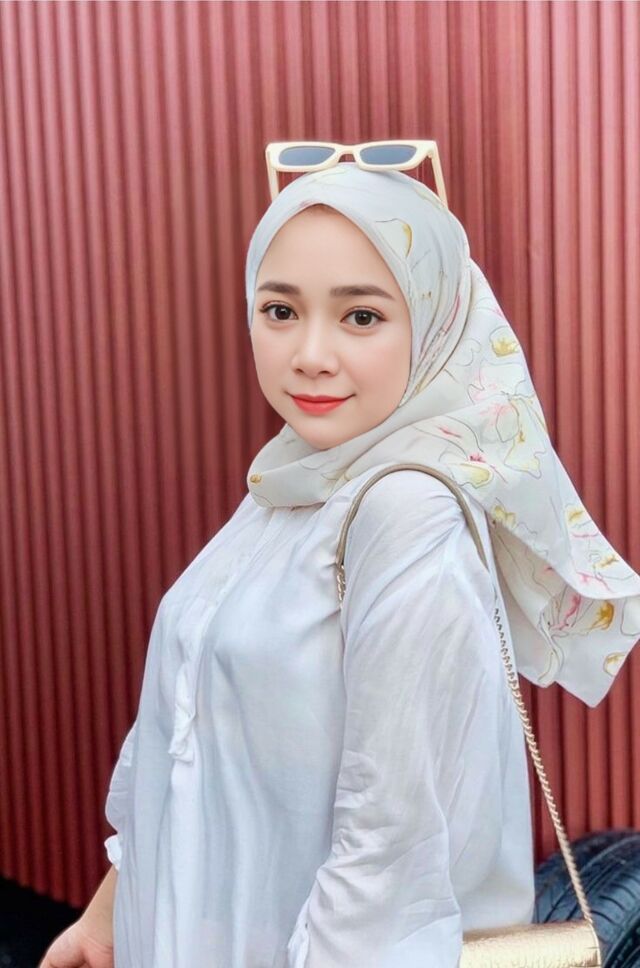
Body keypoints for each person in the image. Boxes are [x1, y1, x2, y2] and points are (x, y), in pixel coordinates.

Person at [40, 163, 640, 968]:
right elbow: (181, 734)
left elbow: (387, 851)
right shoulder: (289, 485)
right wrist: (108, 918)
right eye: (280, 310)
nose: (311, 355)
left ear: (434, 322)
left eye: (362, 315)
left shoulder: (403, 508)